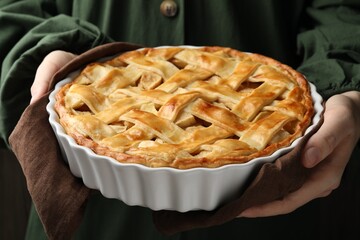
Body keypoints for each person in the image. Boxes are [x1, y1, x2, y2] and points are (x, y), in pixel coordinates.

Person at [1, 0, 359, 239]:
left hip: (287, 214)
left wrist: (346, 82)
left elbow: (343, 8)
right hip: (97, 221)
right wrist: (43, 49)